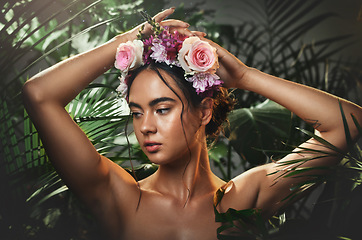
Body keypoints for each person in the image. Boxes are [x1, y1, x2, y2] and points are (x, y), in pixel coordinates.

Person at [22, 8, 362, 240]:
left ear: (204, 111)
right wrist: (123, 44)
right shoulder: (119, 197)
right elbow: (38, 94)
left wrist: (246, 76)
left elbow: (349, 123)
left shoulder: (245, 198)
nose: (145, 127)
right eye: (137, 111)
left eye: (162, 108)